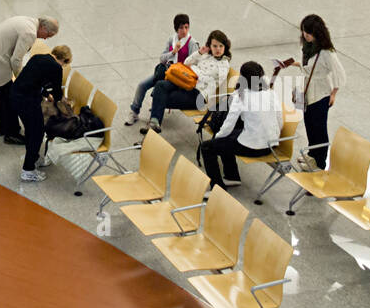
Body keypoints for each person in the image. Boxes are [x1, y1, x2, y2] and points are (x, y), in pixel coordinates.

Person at [273, 15, 346, 170]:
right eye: (304, 31)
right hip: (307, 91)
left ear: (318, 32)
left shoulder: (327, 53)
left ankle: (320, 162)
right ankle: (312, 155)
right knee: (309, 126)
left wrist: (333, 93)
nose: (305, 35)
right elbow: (309, 68)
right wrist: (291, 64)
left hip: (320, 94)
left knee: (319, 128)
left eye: (309, 32)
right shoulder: (308, 47)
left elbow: (340, 74)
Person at [0, 15, 59, 144]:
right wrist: (21, 79)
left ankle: (2, 127)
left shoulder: (28, 20)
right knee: (10, 96)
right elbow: (15, 60)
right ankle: (11, 133)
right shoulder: (30, 33)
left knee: (1, 93)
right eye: (48, 34)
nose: (46, 38)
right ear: (43, 27)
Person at [200, 61, 282, 190]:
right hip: (271, 144)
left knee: (208, 147)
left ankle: (217, 188)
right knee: (229, 138)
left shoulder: (241, 96)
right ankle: (232, 177)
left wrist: (216, 138)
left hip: (253, 146)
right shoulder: (271, 93)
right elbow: (279, 120)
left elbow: (228, 126)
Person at [146, 29, 233, 134]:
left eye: (221, 46)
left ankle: (153, 127)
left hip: (197, 95)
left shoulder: (224, 65)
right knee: (160, 85)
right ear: (210, 46)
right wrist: (199, 53)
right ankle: (154, 124)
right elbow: (187, 63)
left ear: (225, 46)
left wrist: (194, 70)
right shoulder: (205, 55)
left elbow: (207, 80)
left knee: (160, 96)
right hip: (185, 83)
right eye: (214, 46)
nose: (218, 49)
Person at [12, 41, 68, 181]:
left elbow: (34, 79)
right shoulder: (56, 68)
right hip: (28, 101)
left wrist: (44, 94)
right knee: (37, 133)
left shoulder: (37, 58)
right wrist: (60, 99)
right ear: (64, 60)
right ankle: (28, 170)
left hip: (15, 94)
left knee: (31, 130)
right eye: (65, 64)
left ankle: (35, 158)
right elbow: (56, 94)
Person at [127, 14, 196, 125]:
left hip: (177, 76)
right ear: (176, 28)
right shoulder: (171, 39)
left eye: (186, 27)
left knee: (160, 86)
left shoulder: (192, 43)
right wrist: (173, 52)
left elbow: (193, 64)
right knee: (142, 85)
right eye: (181, 28)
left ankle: (155, 115)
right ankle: (134, 111)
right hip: (165, 71)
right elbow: (162, 58)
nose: (184, 30)